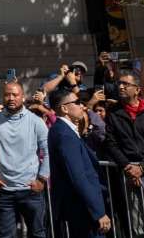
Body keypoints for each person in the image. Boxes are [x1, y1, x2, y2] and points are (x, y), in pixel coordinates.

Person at [102, 68, 144, 238]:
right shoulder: (113, 113)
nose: (121, 87)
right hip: (128, 173)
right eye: (119, 83)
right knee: (137, 222)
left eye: (125, 84)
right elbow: (111, 143)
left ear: (138, 89)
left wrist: (143, 167)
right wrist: (128, 166)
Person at [0, 81, 49, 238]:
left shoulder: (35, 121)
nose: (11, 98)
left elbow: (47, 151)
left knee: (37, 234)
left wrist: (41, 179)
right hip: (5, 192)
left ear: (23, 97)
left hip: (31, 191)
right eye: (7, 94)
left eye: (15, 94)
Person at [48, 89, 110, 238]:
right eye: (76, 103)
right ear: (64, 109)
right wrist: (98, 212)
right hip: (82, 209)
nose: (82, 106)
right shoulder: (64, 134)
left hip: (80, 207)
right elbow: (78, 176)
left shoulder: (63, 130)